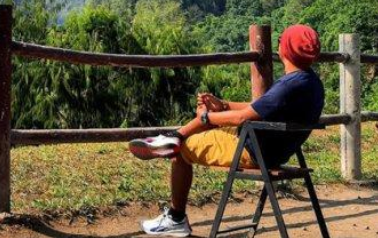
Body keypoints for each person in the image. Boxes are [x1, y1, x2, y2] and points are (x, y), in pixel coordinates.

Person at [130, 25, 325, 237]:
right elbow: (259, 107)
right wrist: (222, 105)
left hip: (252, 149)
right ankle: (174, 136)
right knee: (212, 122)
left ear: (285, 49)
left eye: (280, 40)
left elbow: (243, 117)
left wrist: (206, 116)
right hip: (272, 147)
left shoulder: (289, 85)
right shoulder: (311, 83)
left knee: (181, 151)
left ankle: (176, 218)